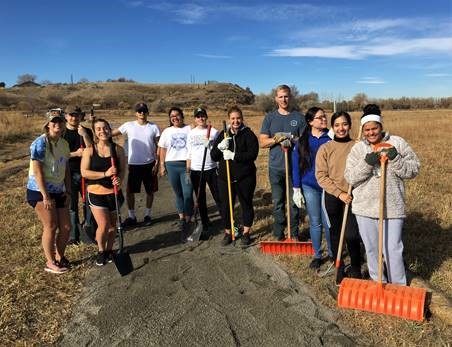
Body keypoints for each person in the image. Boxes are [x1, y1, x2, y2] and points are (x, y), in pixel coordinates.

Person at [344, 104, 419, 285]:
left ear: (381, 126)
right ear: (363, 130)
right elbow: (350, 177)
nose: (371, 133)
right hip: (365, 208)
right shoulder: (358, 149)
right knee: (372, 249)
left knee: (393, 249)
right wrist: (367, 163)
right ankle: (379, 283)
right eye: (367, 129)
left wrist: (395, 158)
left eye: (374, 128)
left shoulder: (398, 143)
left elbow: (413, 169)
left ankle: (398, 286)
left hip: (392, 207)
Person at [315, 111, 362, 284]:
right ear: (332, 127)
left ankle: (356, 267)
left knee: (351, 235)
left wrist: (362, 148)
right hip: (334, 196)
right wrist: (339, 193)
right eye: (337, 125)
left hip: (352, 196)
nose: (341, 128)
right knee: (335, 233)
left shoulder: (357, 146)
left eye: (344, 124)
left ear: (349, 126)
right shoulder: (326, 148)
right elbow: (321, 176)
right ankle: (339, 266)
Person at [259, 85, 306, 241]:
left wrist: (293, 140)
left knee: (293, 203)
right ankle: (279, 232)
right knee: (278, 202)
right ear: (276, 98)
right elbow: (263, 142)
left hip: (294, 168)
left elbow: (305, 142)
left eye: (286, 96)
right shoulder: (270, 118)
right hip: (276, 167)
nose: (283, 99)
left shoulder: (299, 118)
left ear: (290, 97)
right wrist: (276, 139)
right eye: (280, 96)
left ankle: (294, 233)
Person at [26, 112, 71, 274]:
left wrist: (68, 191)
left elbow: (66, 169)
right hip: (39, 191)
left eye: (60, 121)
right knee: (50, 225)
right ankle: (50, 262)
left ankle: (60, 257)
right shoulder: (40, 143)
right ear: (48, 125)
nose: (57, 124)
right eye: (54, 122)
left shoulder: (64, 144)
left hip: (59, 190)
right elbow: (37, 172)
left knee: (66, 227)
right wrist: (45, 196)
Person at [211, 106, 259, 246]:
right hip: (225, 179)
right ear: (229, 120)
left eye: (238, 118)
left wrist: (234, 156)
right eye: (233, 118)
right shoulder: (223, 135)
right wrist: (220, 147)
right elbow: (214, 156)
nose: (235, 121)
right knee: (226, 206)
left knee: (246, 204)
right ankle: (228, 232)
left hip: (245, 178)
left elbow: (252, 155)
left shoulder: (248, 134)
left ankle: (246, 233)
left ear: (242, 119)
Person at [81, 118, 126, 266]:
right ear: (94, 132)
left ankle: (109, 249)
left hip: (113, 193)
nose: (103, 131)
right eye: (99, 129)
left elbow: (123, 170)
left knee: (113, 226)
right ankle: (101, 251)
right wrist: (105, 174)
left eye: (105, 128)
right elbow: (85, 172)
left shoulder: (118, 149)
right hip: (96, 192)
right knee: (104, 225)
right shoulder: (89, 151)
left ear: (110, 129)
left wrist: (119, 179)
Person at [292, 107, 332, 270]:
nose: (324, 120)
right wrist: (296, 188)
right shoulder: (303, 141)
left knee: (328, 222)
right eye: (319, 118)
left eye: (324, 117)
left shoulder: (331, 137)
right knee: (315, 222)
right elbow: (296, 165)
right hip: (309, 185)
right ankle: (317, 255)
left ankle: (332, 253)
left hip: (329, 186)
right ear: (310, 122)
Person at [112, 103, 160, 227]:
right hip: (133, 164)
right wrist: (96, 125)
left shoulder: (154, 127)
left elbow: (158, 147)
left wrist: (158, 163)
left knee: (150, 191)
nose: (141, 113)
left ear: (147, 112)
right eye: (139, 111)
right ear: (135, 113)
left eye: (144, 111)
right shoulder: (128, 125)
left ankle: (147, 215)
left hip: (150, 163)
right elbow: (111, 133)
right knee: (129, 191)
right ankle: (132, 216)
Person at [186, 107, 221, 237]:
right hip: (196, 170)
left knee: (218, 196)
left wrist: (211, 145)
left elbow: (219, 150)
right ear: (195, 119)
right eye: (198, 116)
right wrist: (187, 169)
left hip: (211, 168)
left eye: (203, 116)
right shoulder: (191, 133)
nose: (201, 118)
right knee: (200, 198)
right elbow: (188, 152)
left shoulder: (214, 132)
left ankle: (226, 220)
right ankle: (205, 222)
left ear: (206, 117)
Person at [158, 107, 193, 233]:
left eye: (177, 115)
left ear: (182, 116)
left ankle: (189, 219)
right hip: (171, 166)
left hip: (186, 166)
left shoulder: (189, 129)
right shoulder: (167, 131)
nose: (175, 118)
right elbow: (163, 149)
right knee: (178, 194)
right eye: (172, 116)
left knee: (188, 193)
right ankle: (182, 218)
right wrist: (162, 165)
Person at [63, 105, 94, 244]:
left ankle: (89, 229)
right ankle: (74, 235)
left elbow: (91, 149)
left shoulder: (86, 131)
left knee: (89, 203)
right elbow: (58, 155)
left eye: (76, 115)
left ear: (81, 116)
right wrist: (75, 153)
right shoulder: (61, 133)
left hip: (85, 173)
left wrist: (85, 135)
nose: (73, 117)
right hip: (68, 173)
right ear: (66, 116)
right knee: (72, 206)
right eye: (70, 115)